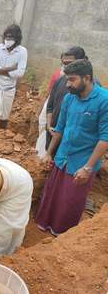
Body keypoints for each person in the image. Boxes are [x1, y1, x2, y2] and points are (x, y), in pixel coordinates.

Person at [36, 59, 108, 236]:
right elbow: (59, 129)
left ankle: (62, 236)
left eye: (72, 80)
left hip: (82, 162)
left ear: (87, 78)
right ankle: (44, 226)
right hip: (62, 157)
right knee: (51, 195)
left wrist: (88, 167)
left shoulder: (104, 100)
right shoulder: (69, 98)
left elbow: (104, 139)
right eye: (67, 79)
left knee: (70, 201)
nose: (68, 84)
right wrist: (49, 153)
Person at [45, 46, 101, 150]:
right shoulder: (60, 80)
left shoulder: (93, 88)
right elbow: (50, 106)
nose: (66, 66)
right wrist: (49, 125)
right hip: (54, 136)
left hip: (76, 146)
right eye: (64, 63)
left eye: (69, 63)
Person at [0, 24, 28, 134]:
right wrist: (10, 69)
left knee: (4, 117)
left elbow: (20, 72)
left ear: (17, 39)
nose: (8, 40)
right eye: (6, 37)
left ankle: (0, 138)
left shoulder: (22, 52)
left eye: (11, 38)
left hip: (8, 89)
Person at [35, 52, 68, 158]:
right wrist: (39, 111)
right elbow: (48, 94)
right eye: (63, 63)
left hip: (58, 113)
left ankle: (46, 155)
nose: (64, 65)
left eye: (67, 63)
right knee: (43, 129)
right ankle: (40, 154)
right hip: (50, 107)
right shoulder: (57, 76)